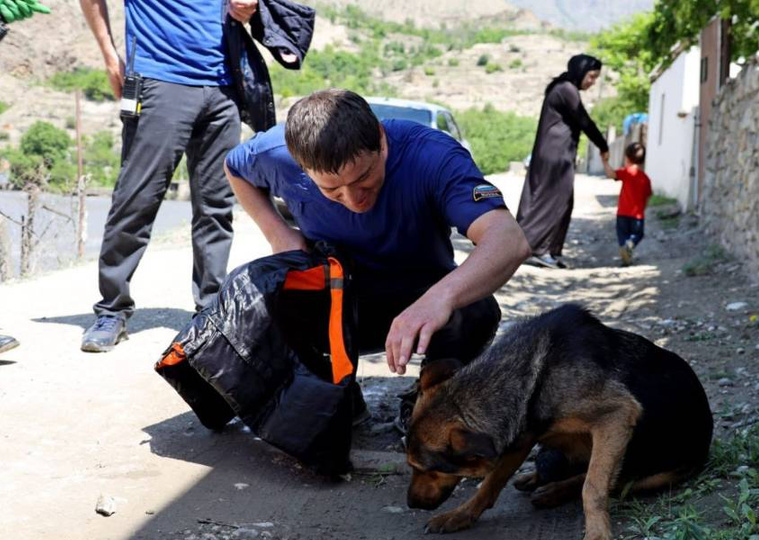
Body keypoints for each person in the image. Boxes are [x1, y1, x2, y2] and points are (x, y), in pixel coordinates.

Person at [224, 89, 530, 426]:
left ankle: (427, 401)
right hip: (340, 302)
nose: (354, 199)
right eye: (332, 190)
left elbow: (508, 240)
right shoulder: (275, 153)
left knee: (477, 309)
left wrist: (439, 299)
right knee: (270, 297)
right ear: (301, 167)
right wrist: (277, 233)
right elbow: (234, 168)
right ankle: (338, 393)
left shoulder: (432, 156)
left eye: (364, 178)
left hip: (418, 297)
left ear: (381, 142)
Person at [78, 0, 259, 352]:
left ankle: (211, 309)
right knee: (137, 199)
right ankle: (112, 310)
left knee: (216, 207)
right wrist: (109, 55)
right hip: (160, 80)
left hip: (225, 87)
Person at [517, 53, 610, 269]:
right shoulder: (567, 89)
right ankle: (535, 248)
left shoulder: (563, 88)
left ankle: (548, 249)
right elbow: (585, 121)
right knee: (552, 200)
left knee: (561, 200)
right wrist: (603, 146)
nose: (592, 82)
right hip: (556, 155)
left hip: (555, 153)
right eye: (591, 76)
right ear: (581, 71)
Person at [602, 142, 652, 266]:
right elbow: (648, 196)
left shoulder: (626, 173)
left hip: (622, 213)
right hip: (637, 216)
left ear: (627, 158)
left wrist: (605, 162)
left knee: (622, 235)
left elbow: (610, 174)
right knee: (638, 234)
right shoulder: (645, 178)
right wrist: (643, 208)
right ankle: (629, 249)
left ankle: (625, 249)